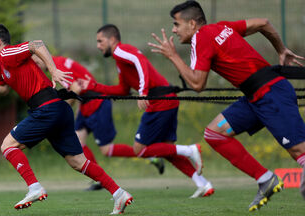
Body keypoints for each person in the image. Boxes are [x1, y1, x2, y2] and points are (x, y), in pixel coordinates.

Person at [148, 0, 305, 211]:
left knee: (299, 151)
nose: (174, 30)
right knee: (215, 133)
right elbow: (264, 22)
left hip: (270, 95)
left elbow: (197, 84)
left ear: (192, 23)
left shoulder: (200, 38)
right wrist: (281, 49)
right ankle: (265, 179)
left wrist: (173, 56)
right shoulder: (222, 27)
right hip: (257, 96)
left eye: (176, 24)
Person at [0, 23, 132, 214]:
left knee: (7, 145)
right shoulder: (3, 63)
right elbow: (2, 88)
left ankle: (34, 187)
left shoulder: (7, 53)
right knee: (78, 162)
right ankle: (119, 193)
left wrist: (53, 69)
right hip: (57, 109)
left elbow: (36, 44)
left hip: (46, 108)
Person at [79, 24, 215, 198]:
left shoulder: (120, 51)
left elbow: (140, 61)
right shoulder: (119, 60)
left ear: (112, 39)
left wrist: (143, 92)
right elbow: (123, 90)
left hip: (160, 102)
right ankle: (203, 184)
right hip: (168, 100)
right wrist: (95, 87)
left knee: (140, 149)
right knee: (167, 151)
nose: (98, 45)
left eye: (100, 41)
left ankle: (190, 150)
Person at [34, 55, 166, 191]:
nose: (37, 67)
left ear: (42, 58)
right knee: (78, 141)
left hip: (97, 103)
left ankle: (149, 155)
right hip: (85, 105)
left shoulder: (57, 66)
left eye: (37, 63)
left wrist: (58, 111)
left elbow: (75, 88)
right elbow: (78, 86)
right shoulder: (58, 60)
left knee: (107, 149)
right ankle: (99, 179)